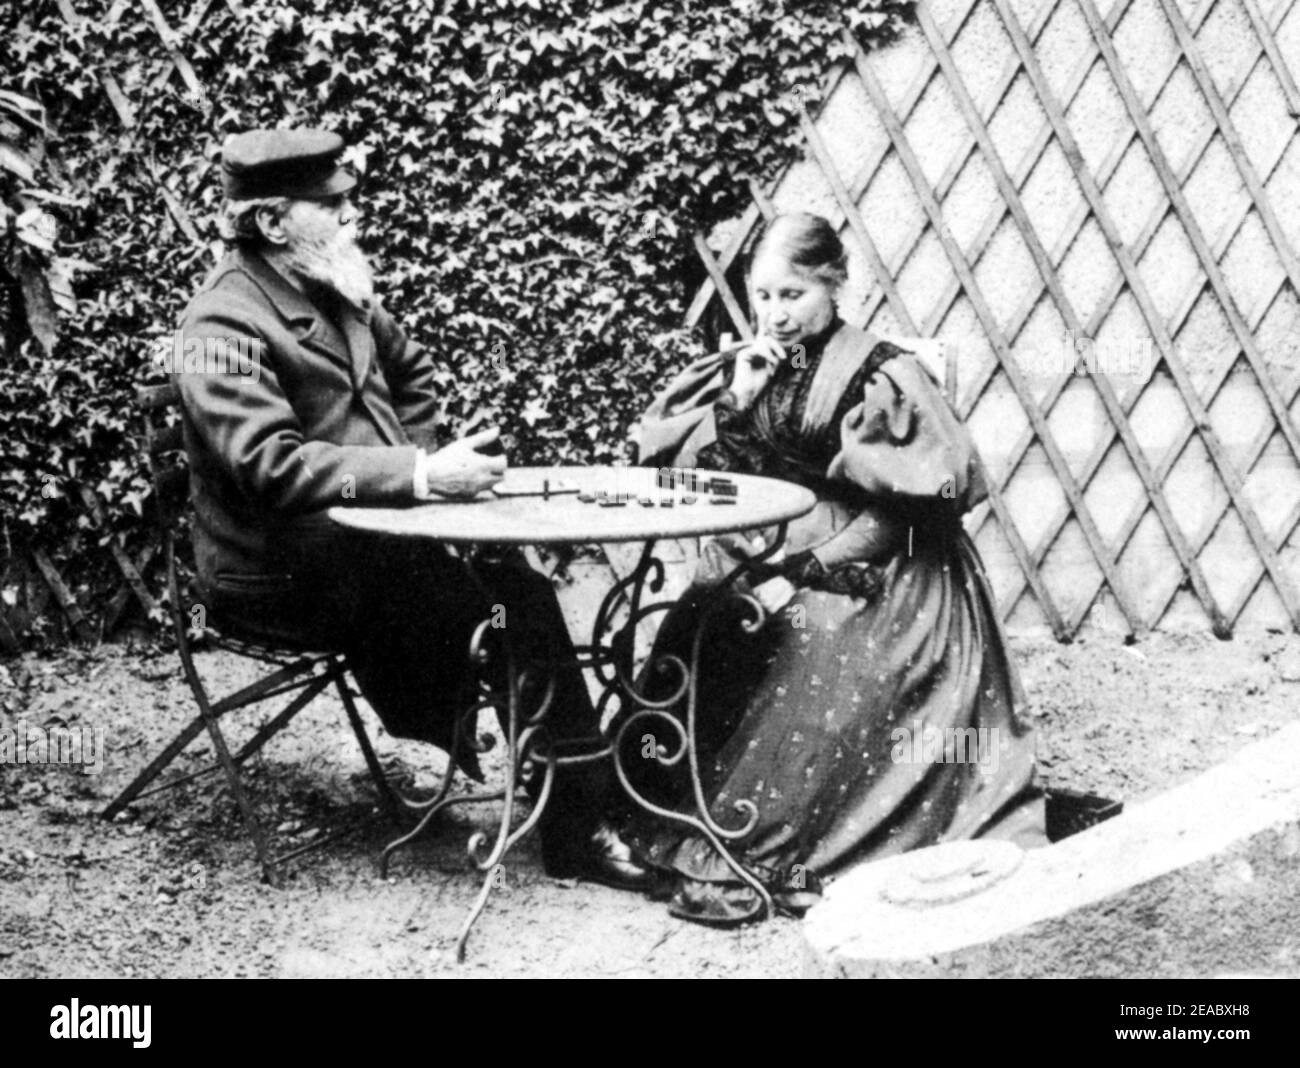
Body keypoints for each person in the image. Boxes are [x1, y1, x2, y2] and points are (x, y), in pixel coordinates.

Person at [173, 127, 650, 889]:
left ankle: (576, 797)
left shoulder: (329, 282)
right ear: (270, 222)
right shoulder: (219, 326)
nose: (352, 215)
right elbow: (272, 467)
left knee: (507, 584)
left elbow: (415, 376)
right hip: (277, 572)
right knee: (512, 603)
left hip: (367, 545)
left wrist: (417, 471)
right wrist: (420, 477)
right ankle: (579, 820)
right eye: (332, 203)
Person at [627, 212, 1046, 925]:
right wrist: (739, 399)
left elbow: (909, 512)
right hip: (779, 548)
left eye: (792, 295)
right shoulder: (754, 363)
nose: (775, 315)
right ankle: (655, 812)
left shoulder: (881, 374)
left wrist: (805, 567)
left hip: (890, 568)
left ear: (835, 284)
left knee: (808, 636)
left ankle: (770, 843)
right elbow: (710, 479)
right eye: (762, 296)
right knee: (703, 615)